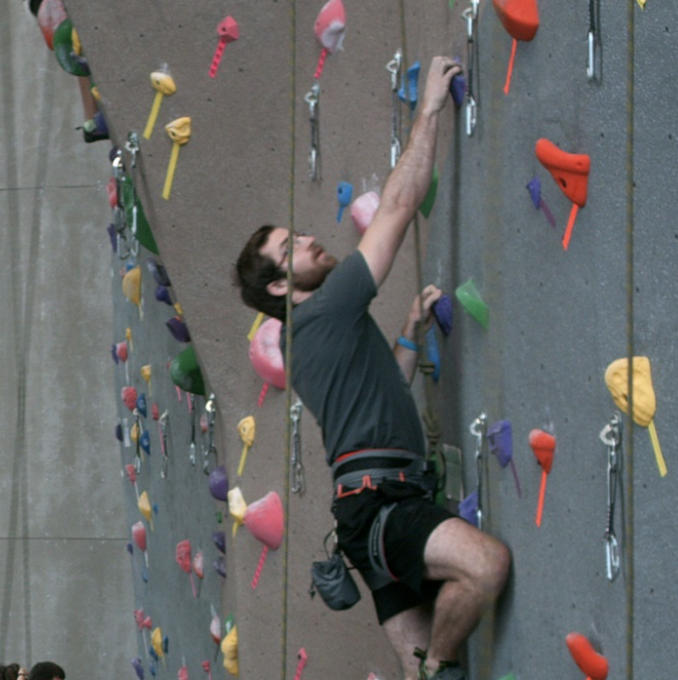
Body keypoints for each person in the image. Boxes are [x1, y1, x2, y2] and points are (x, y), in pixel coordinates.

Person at [234, 56, 510, 680]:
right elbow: (399, 205)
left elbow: (372, 394)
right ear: (283, 285)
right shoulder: (326, 307)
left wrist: (408, 337)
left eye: (298, 232)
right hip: (384, 509)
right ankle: (443, 665)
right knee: (486, 567)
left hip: (368, 516)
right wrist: (430, 109)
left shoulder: (304, 341)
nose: (308, 240)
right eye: (292, 246)